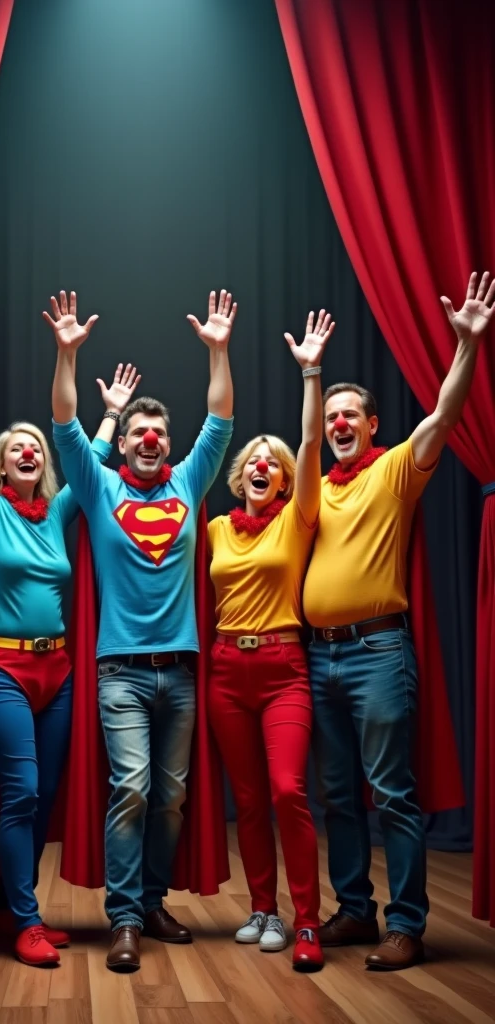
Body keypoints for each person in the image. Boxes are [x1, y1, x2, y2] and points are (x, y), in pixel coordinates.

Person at [0, 297, 141, 967]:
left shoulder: (56, 514)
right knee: (19, 791)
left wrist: (99, 400)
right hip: (1, 671)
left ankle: (10, 911)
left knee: (41, 798)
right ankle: (23, 920)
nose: (28, 449)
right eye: (14, 446)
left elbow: (90, 451)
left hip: (60, 673)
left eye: (35, 446)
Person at [305, 271, 495, 970]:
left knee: (391, 791)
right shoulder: (314, 487)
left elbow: (444, 414)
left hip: (377, 652)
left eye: (350, 416)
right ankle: (355, 911)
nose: (340, 426)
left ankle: (406, 923)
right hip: (317, 655)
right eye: (331, 420)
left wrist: (467, 346)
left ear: (373, 424)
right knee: (337, 795)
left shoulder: (395, 470)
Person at [48, 288, 235, 971]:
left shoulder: (189, 482)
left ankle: (153, 901)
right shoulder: (99, 489)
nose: (151, 441)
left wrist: (218, 351)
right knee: (131, 787)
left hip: (180, 672)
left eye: (160, 432)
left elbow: (220, 418)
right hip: (121, 673)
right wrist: (66, 355)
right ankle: (124, 916)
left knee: (173, 796)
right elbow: (66, 425)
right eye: (139, 433)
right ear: (123, 442)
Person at [207, 310, 334, 972]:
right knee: (249, 799)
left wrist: (311, 372)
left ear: (285, 480)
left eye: (273, 462)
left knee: (288, 790)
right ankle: (264, 909)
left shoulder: (298, 521)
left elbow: (312, 444)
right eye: (253, 460)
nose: (262, 465)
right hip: (226, 670)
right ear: (241, 475)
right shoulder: (218, 532)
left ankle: (306, 920)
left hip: (284, 665)